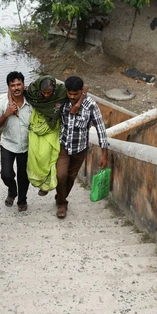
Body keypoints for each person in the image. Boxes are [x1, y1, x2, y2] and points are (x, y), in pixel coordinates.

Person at [55, 75, 108, 219]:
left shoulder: (90, 105)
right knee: (61, 175)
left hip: (80, 149)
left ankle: (61, 197)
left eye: (75, 94)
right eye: (69, 93)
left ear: (81, 92)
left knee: (71, 177)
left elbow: (101, 129)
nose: (72, 97)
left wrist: (104, 153)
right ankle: (62, 204)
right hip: (63, 146)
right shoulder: (62, 100)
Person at [24, 76, 86, 197]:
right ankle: (41, 182)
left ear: (54, 89)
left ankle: (48, 185)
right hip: (37, 126)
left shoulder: (61, 91)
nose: (46, 95)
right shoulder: (32, 91)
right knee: (37, 155)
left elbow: (85, 87)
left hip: (53, 127)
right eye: (44, 93)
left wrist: (78, 103)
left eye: (49, 93)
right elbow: (12, 90)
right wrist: (10, 101)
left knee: (50, 156)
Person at [0, 71, 32, 212]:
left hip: (27, 146)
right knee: (6, 174)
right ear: (8, 87)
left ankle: (22, 200)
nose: (16, 88)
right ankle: (12, 191)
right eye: (12, 85)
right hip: (8, 144)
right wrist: (7, 113)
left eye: (19, 84)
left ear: (23, 85)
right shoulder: (2, 103)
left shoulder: (31, 102)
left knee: (24, 176)